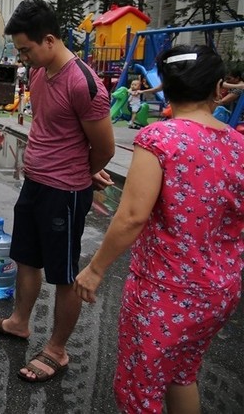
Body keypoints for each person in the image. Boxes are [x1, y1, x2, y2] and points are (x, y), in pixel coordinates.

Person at [74, 45, 244, 414]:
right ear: (219, 89)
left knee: (140, 389)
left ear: (165, 89)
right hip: (220, 291)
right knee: (183, 374)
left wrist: (95, 268)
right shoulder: (238, 145)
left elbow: (132, 215)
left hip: (165, 292)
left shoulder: (159, 140)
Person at [0, 0, 115, 383]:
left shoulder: (84, 84)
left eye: (26, 49)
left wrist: (84, 171)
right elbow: (56, 132)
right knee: (26, 259)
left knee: (64, 274)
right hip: (34, 183)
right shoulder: (39, 73)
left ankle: (57, 349)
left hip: (65, 193)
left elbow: (105, 148)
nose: (23, 57)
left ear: (49, 40)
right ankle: (20, 322)